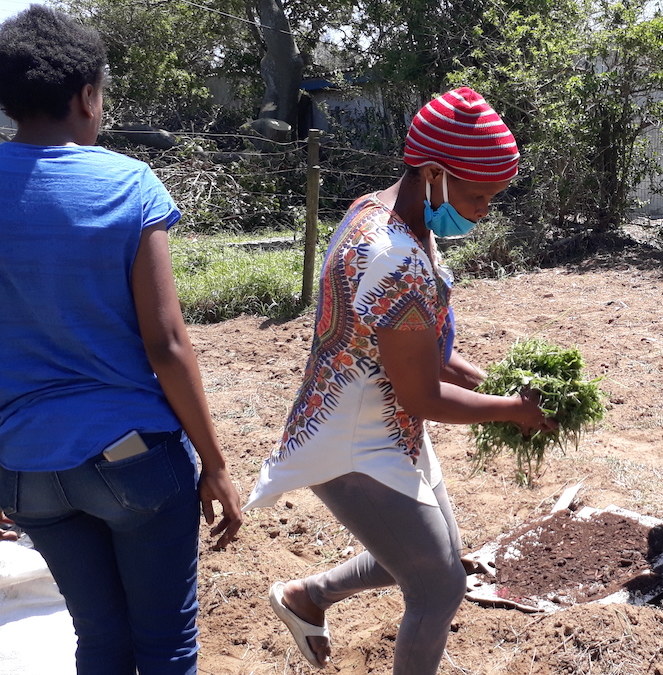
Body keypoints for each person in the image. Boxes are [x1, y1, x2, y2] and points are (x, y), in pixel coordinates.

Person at [245, 87, 556, 672]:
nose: (486, 209)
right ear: (436, 174)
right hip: (354, 439)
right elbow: (421, 392)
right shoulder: (392, 254)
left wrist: (492, 381)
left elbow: (415, 350)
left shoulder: (384, 211)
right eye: (481, 196)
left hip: (386, 422)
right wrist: (513, 409)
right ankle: (308, 597)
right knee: (438, 587)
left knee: (431, 554)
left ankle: (306, 597)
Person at [0, 6, 243, 674]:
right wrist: (213, 462)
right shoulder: (127, 183)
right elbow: (167, 343)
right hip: (135, 461)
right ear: (87, 96)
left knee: (100, 641)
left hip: (28, 472)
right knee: (165, 649)